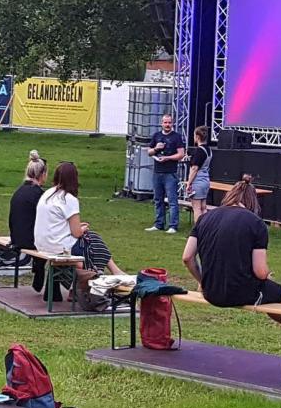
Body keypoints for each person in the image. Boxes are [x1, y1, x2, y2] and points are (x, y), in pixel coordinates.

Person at [181, 176, 281, 361]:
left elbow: (187, 257)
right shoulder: (255, 223)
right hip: (239, 291)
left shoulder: (204, 218)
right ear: (252, 201)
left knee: (273, 298)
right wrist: (267, 276)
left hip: (211, 291)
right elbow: (260, 271)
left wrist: (203, 281)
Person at [34, 162, 125, 309]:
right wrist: (82, 228)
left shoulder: (48, 193)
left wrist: (78, 228)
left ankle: (111, 272)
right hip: (57, 246)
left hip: (42, 243)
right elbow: (76, 232)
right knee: (91, 239)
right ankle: (99, 279)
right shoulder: (69, 199)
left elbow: (59, 225)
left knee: (89, 239)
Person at [10, 151, 48, 290]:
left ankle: (38, 267)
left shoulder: (19, 191)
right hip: (30, 240)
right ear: (42, 174)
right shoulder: (40, 195)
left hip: (16, 238)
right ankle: (48, 280)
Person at [145, 114, 187, 234]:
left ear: (172, 124)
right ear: (161, 123)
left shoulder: (176, 137)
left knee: (172, 200)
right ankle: (159, 224)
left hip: (170, 173)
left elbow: (181, 154)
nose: (167, 125)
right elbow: (149, 152)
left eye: (169, 123)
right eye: (165, 123)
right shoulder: (156, 136)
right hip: (157, 172)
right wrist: (156, 149)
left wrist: (167, 158)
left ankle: (173, 225)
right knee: (158, 199)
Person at [185, 126, 213, 221]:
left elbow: (194, 168)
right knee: (203, 207)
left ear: (197, 137)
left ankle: (198, 231)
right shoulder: (209, 150)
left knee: (196, 208)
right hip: (206, 181)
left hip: (198, 182)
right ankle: (205, 229)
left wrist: (189, 183)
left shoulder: (199, 151)